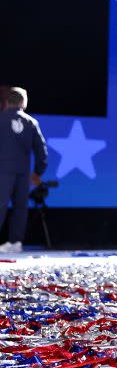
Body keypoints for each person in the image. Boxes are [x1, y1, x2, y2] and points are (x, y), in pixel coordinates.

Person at [0, 88, 47, 254]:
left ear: (6, 101)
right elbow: (41, 151)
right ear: (22, 102)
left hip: (2, 171)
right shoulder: (31, 122)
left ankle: (14, 242)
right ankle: (15, 242)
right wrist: (37, 173)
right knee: (20, 207)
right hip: (22, 172)